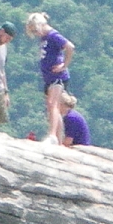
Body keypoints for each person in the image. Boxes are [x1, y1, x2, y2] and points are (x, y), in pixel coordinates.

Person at [24, 12, 74, 143]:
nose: (36, 34)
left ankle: (52, 135)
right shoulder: (44, 38)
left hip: (57, 76)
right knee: (52, 107)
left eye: (36, 30)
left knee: (53, 104)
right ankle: (58, 137)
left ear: (41, 25)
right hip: (49, 77)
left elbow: (69, 47)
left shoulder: (53, 35)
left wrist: (64, 65)